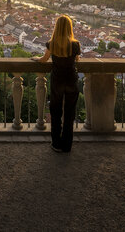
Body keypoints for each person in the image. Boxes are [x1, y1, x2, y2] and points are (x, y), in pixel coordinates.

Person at [33, 15, 81, 153]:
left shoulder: (52, 43)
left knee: (55, 112)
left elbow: (44, 59)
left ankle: (56, 143)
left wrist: (36, 59)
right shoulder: (75, 44)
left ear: (57, 27)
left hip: (58, 81)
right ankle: (67, 145)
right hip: (71, 80)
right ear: (69, 28)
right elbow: (77, 59)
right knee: (69, 113)